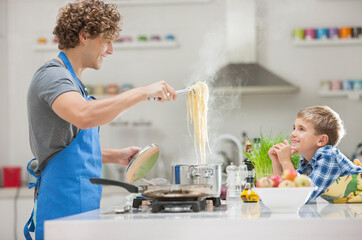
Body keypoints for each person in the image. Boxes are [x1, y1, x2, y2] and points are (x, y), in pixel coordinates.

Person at [24, 0, 177, 239]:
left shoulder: (74, 84)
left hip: (82, 213)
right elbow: (85, 115)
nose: (110, 50)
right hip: (62, 214)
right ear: (85, 35)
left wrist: (114, 155)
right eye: (107, 41)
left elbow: (64, 147)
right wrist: (142, 92)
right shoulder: (53, 75)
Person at [268, 105, 362, 203]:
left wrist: (286, 161)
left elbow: (301, 196)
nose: (293, 134)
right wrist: (277, 162)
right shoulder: (306, 160)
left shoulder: (328, 155)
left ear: (321, 140)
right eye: (294, 128)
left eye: (301, 129)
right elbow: (287, 190)